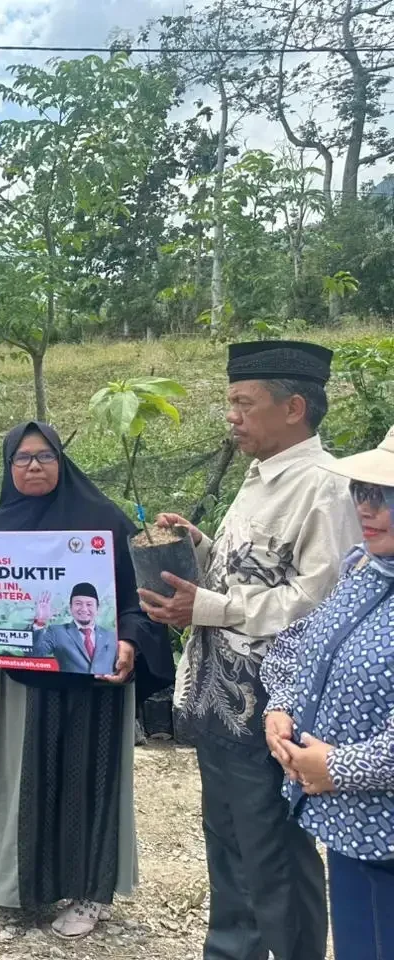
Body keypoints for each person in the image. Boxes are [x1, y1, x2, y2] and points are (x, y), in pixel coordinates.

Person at [141, 341, 357, 960]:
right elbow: (248, 573)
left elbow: (319, 604)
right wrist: (199, 547)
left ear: (293, 408)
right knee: (229, 841)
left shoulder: (325, 488)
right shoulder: (260, 478)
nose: (231, 417)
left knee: (274, 852)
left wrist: (209, 608)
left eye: (243, 403)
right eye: (230, 403)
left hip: (273, 702)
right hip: (221, 697)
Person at [0, 422, 169, 938]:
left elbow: (142, 597)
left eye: (44, 456)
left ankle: (90, 893)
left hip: (91, 683)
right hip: (24, 682)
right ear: (8, 467)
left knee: (87, 783)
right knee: (22, 780)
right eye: (22, 458)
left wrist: (129, 640)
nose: (33, 466)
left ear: (62, 461)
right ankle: (21, 883)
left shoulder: (102, 519)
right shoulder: (1, 525)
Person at [259, 426, 394, 959]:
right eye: (362, 490)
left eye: (385, 495)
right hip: (353, 826)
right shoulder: (365, 568)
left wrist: (336, 766)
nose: (366, 507)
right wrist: (281, 706)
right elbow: (299, 644)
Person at [32, 583, 118, 674]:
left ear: (97, 608)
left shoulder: (111, 636)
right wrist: (40, 621)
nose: (84, 609)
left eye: (89, 604)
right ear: (70, 607)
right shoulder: (57, 632)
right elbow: (35, 653)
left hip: (104, 683)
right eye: (78, 604)